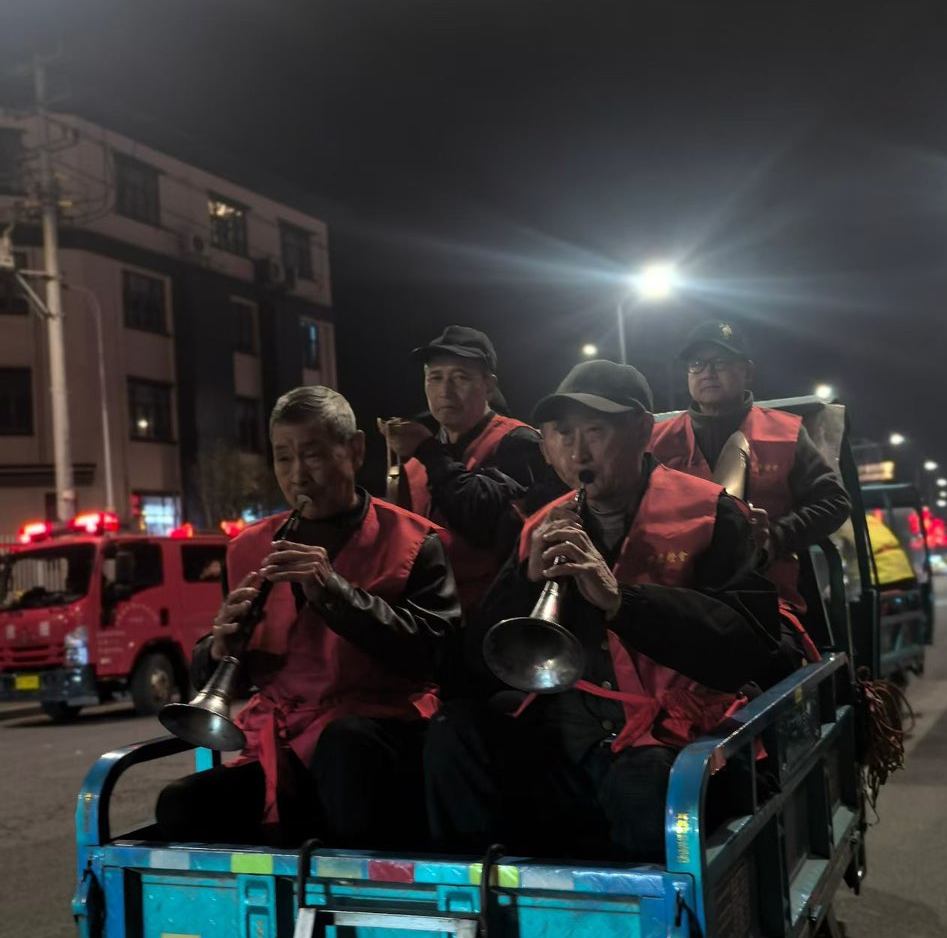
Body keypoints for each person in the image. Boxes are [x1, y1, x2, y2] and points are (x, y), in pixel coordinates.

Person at [425, 359, 810, 863]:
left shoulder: (712, 512)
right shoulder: (541, 525)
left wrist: (621, 600)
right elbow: (480, 664)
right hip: (573, 727)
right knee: (453, 734)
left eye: (595, 431)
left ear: (642, 431)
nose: (577, 452)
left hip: (677, 734)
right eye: (562, 434)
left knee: (642, 785)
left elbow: (749, 648)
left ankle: (648, 912)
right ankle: (484, 895)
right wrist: (524, 582)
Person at [157, 386, 460, 849]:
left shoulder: (416, 540)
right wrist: (218, 648)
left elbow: (440, 655)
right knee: (181, 806)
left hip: (380, 738)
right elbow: (225, 674)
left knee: (344, 748)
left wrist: (337, 594)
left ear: (355, 450)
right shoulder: (247, 547)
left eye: (313, 455)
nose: (298, 475)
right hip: (284, 743)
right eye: (283, 458)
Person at [650, 320, 850, 612]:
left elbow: (834, 502)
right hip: (676, 595)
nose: (708, 372)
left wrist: (775, 539)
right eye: (697, 364)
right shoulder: (657, 441)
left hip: (766, 596)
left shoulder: (785, 434)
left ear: (747, 371)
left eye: (720, 362)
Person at [380, 325, 548, 612]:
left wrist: (429, 451)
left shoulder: (517, 442)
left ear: (489, 385)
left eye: (461, 377)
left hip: (496, 615)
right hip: (431, 617)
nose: (445, 391)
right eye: (435, 378)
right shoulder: (415, 464)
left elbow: (485, 521)